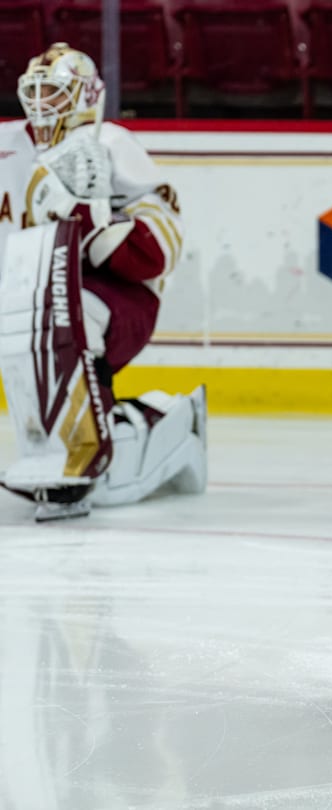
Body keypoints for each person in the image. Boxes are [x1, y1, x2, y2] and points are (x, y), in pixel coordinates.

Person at [0, 43, 205, 522]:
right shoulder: (6, 145)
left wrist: (95, 220)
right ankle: (122, 428)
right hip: (24, 290)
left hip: (115, 297)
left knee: (59, 318)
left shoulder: (110, 144)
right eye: (38, 91)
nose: (43, 103)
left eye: (56, 91)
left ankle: (87, 447)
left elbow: (157, 254)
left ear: (87, 94)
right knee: (34, 318)